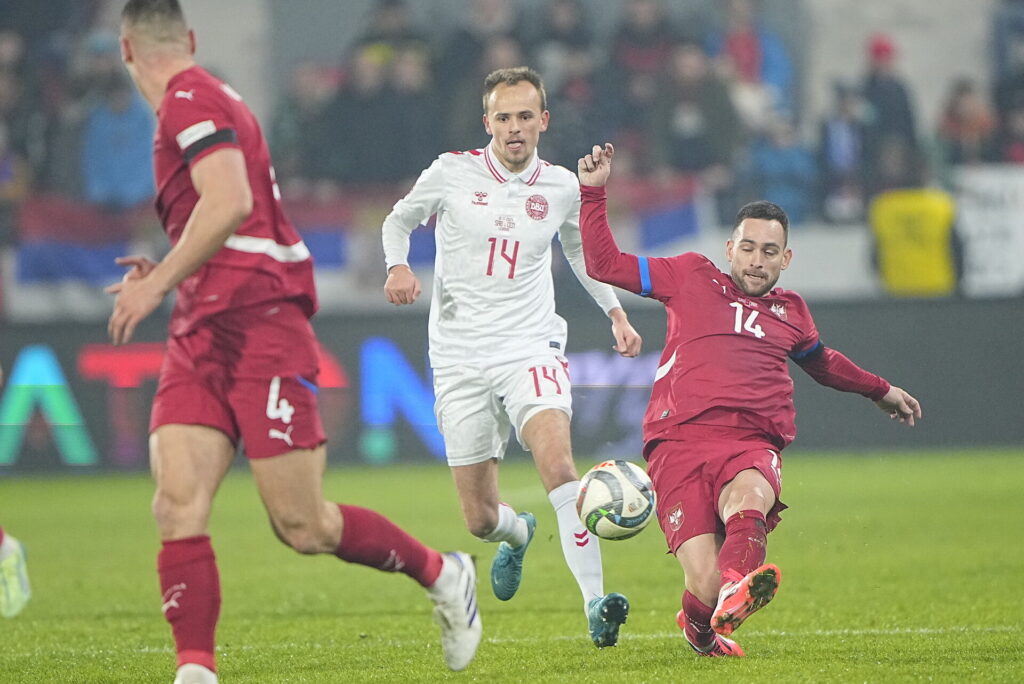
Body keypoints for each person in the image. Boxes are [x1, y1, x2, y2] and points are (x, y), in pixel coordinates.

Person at [110, 2, 481, 681]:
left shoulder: (187, 97)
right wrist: (176, 271)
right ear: (188, 38)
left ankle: (443, 572)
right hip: (204, 324)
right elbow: (216, 216)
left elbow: (230, 204)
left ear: (126, 52)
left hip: (260, 324)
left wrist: (158, 280)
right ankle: (195, 670)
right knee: (176, 503)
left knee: (303, 525)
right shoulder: (208, 99)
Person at [576, 142, 922, 657]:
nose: (757, 261)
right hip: (677, 442)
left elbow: (822, 362)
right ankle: (702, 626)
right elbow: (604, 263)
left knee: (750, 497)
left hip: (750, 440)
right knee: (704, 585)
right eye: (748, 248)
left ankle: (739, 584)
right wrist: (593, 192)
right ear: (730, 249)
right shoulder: (690, 275)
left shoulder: (792, 312)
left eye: (769, 251)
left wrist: (881, 390)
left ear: (786, 258)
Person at [381, 66, 643, 648]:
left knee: (559, 467)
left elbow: (582, 254)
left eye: (526, 116)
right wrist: (397, 264)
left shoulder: (561, 187)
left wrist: (615, 312)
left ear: (544, 120)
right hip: (457, 353)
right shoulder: (452, 172)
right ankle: (516, 534)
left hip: (530, 344)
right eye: (504, 117)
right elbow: (397, 220)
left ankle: (596, 603)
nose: (515, 127)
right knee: (479, 518)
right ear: (488, 123)